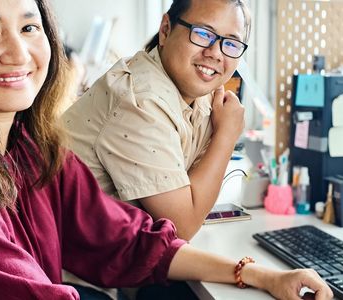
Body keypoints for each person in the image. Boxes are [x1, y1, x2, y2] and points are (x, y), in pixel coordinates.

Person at [0, 0, 333, 299]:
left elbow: (128, 241)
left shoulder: (26, 148)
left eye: (30, 28)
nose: (17, 52)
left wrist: (262, 276)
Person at [62, 0, 247, 241]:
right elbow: (181, 228)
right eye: (203, 33)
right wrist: (226, 136)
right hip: (74, 270)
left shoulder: (199, 96)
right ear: (165, 30)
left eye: (231, 44)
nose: (215, 53)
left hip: (117, 256)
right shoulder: (140, 99)